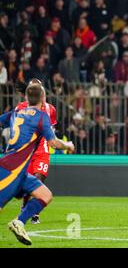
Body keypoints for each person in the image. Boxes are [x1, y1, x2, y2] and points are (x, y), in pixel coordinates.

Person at [0, 84, 75, 246]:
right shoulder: (41, 117)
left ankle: (19, 222)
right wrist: (68, 145)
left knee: (45, 195)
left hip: (19, 172)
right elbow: (54, 143)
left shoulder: (16, 112)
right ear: (42, 99)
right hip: (10, 171)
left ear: (26, 98)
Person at [15, 78, 57, 224]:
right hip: (27, 150)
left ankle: (34, 212)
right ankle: (26, 207)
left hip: (43, 148)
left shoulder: (50, 109)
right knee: (29, 182)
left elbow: (51, 128)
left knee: (39, 179)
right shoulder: (21, 107)